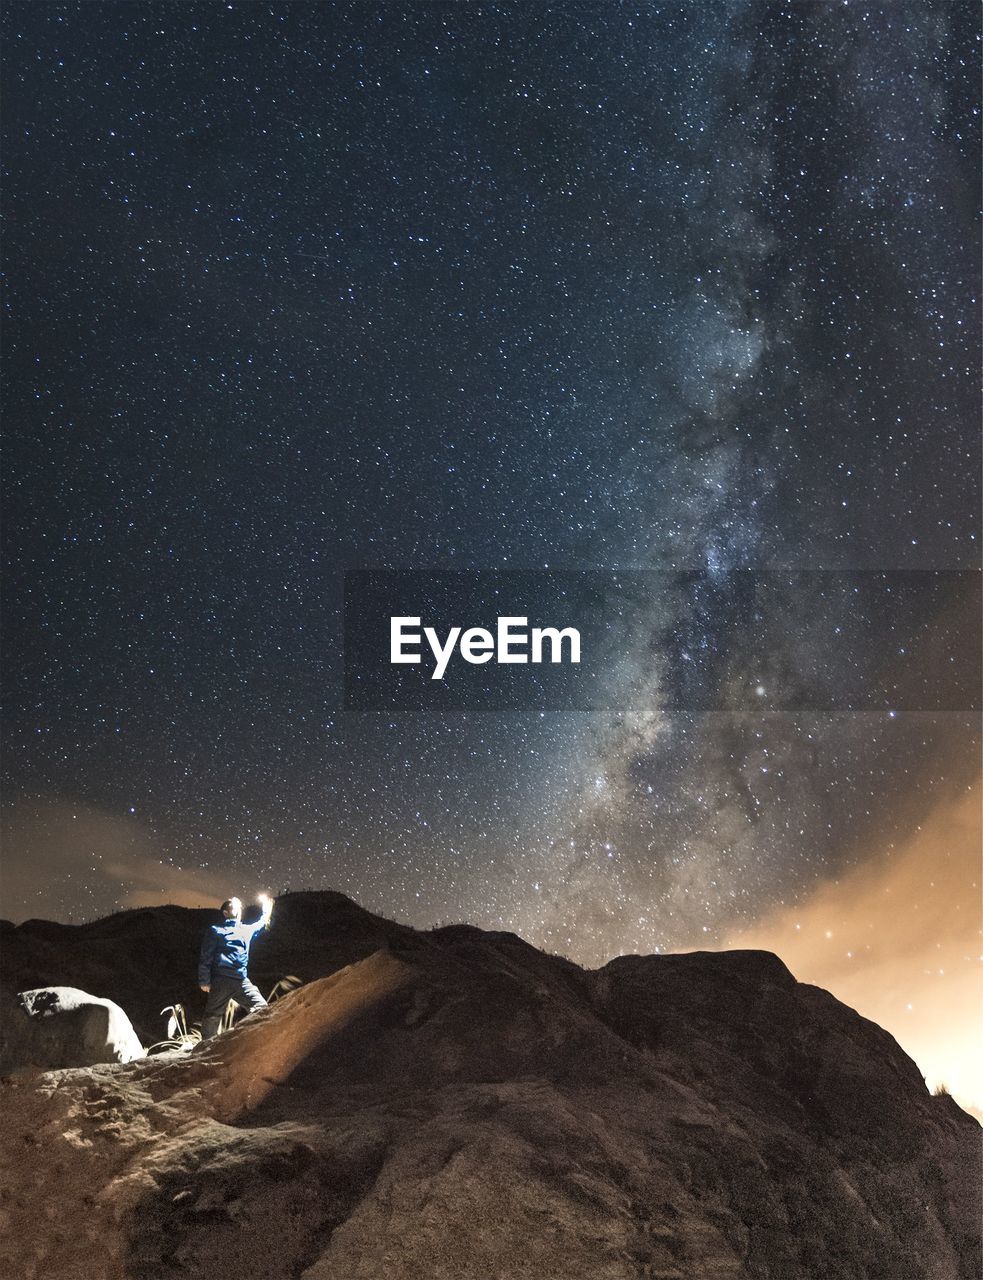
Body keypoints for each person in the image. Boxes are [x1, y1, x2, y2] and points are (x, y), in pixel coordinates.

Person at [198, 893, 273, 1039]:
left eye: (238, 905)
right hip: (221, 980)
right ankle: (205, 1049)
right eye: (233, 904)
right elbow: (206, 956)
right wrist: (204, 980)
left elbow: (262, 923)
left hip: (241, 981)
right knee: (213, 1016)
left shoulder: (246, 929)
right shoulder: (216, 930)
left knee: (262, 1007)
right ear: (225, 913)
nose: (238, 906)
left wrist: (267, 910)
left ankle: (254, 1039)